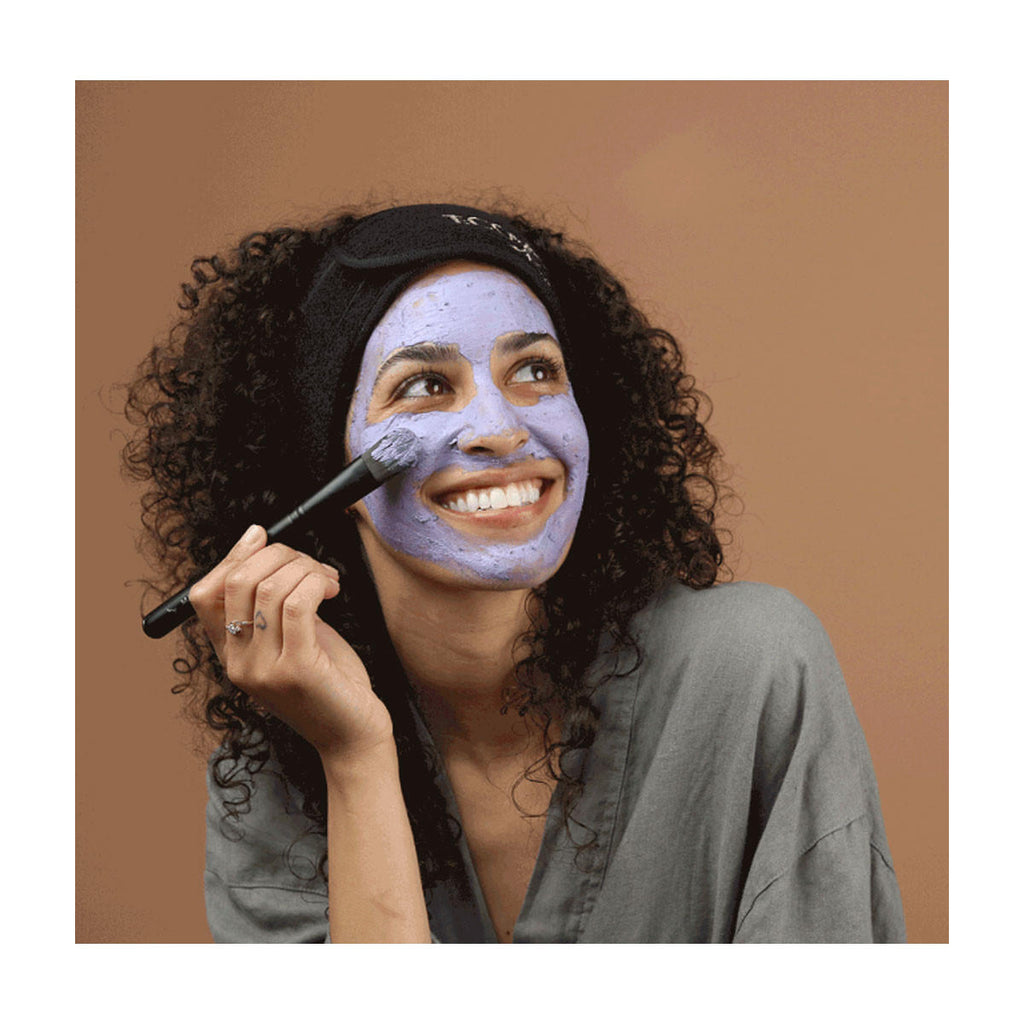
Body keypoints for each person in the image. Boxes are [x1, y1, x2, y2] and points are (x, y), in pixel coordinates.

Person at [123, 202, 906, 943]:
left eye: (536, 372)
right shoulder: (272, 776)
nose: (500, 428)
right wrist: (355, 757)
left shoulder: (752, 667)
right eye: (425, 387)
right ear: (321, 461)